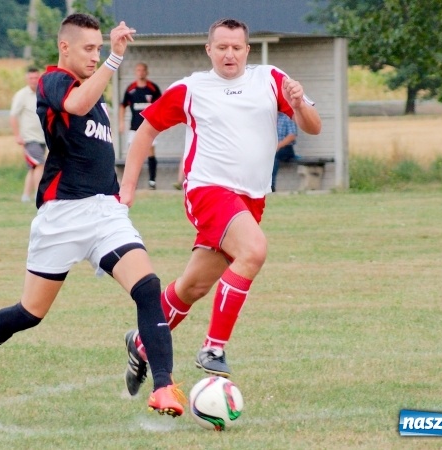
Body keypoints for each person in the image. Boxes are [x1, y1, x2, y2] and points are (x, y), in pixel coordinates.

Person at [0, 13, 185, 417]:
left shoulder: (98, 96)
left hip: (104, 213)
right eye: (88, 49)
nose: (95, 56)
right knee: (29, 313)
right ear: (64, 47)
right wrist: (114, 59)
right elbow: (76, 103)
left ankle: (164, 387)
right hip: (62, 217)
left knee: (147, 287)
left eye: (98, 49)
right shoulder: (53, 81)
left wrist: (122, 190)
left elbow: (98, 150)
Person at [118, 18, 321, 396]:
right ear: (208, 49)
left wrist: (297, 104)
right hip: (207, 191)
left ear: (247, 50)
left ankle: (142, 344)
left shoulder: (271, 79)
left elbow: (313, 126)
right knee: (253, 250)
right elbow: (146, 130)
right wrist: (128, 187)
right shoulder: (191, 89)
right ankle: (213, 348)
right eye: (222, 47)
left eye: (237, 47)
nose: (230, 54)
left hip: (251, 200)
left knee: (193, 286)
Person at [119, 63, 162, 190]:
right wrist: (121, 122)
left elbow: (161, 104)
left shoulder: (152, 88)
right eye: (138, 70)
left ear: (146, 72)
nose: (141, 72)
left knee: (150, 152)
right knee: (132, 153)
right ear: (135, 72)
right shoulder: (131, 89)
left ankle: (152, 181)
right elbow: (122, 106)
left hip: (150, 127)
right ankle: (130, 182)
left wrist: (160, 121)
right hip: (134, 127)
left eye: (143, 70)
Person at [10, 67, 47, 203]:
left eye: (36, 78)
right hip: (29, 138)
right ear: (27, 79)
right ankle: (39, 194)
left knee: (33, 167)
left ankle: (25, 196)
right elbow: (13, 116)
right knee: (40, 164)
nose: (34, 81)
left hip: (42, 137)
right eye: (31, 78)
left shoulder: (42, 93)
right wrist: (17, 135)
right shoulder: (21, 95)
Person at [271, 111, 299, 192]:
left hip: (286, 148)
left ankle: (271, 185)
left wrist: (278, 146)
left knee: (275, 156)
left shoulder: (287, 117)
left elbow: (292, 135)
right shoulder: (270, 118)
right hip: (272, 148)